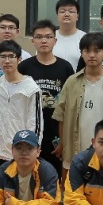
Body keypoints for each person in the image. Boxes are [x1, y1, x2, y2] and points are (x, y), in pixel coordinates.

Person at [53, 33, 103, 176]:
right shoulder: (71, 82)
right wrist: (63, 144)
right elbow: (61, 116)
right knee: (70, 186)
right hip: (73, 150)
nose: (92, 55)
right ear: (81, 53)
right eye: (87, 51)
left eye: (97, 51)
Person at [0, 40, 42, 177]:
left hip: (17, 153)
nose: (7, 61)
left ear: (19, 59)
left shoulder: (31, 89)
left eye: (11, 56)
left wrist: (32, 150)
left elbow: (36, 124)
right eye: (3, 56)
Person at [19, 20, 74, 174]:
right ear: (33, 41)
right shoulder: (24, 67)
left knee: (54, 176)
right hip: (30, 132)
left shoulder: (65, 67)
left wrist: (64, 140)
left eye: (48, 37)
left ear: (55, 41)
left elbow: (70, 105)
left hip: (56, 133)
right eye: (39, 37)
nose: (44, 40)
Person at [52, 0, 85, 70]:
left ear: (77, 16)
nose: (66, 14)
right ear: (57, 16)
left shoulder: (85, 38)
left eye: (71, 11)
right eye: (62, 11)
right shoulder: (49, 37)